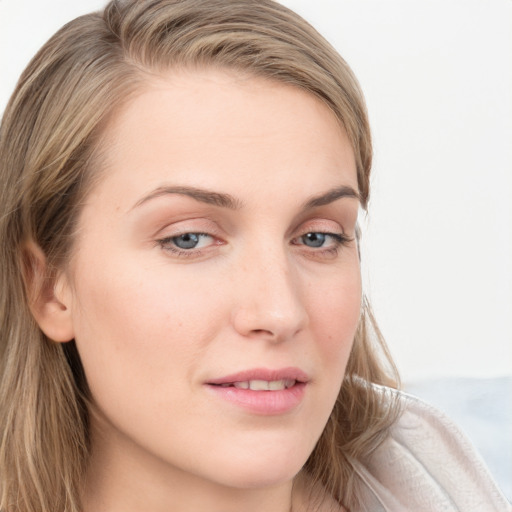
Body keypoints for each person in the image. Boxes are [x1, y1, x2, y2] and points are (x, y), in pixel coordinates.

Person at [0, 1, 509, 511]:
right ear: (48, 287)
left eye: (317, 237)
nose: (279, 312)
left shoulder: (458, 471)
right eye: (189, 239)